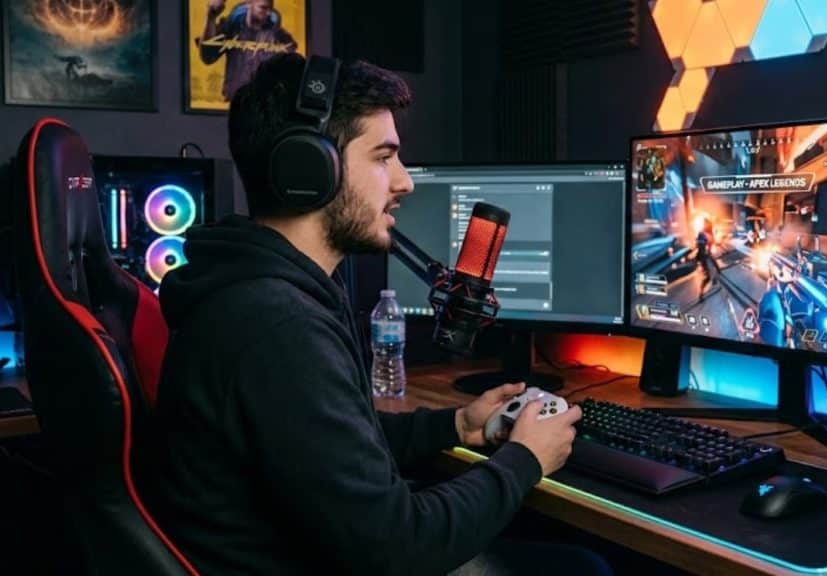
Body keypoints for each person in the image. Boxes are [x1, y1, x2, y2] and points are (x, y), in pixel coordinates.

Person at [142, 53, 603, 575]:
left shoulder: (263, 291)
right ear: (309, 169)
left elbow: (331, 446)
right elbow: (396, 548)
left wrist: (455, 424)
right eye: (384, 157)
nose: (405, 182)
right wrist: (524, 460)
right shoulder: (276, 324)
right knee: (586, 568)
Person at [198, 0, 298, 101]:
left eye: (270, 9)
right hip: (234, 104)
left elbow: (293, 69)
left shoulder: (279, 35)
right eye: (263, 8)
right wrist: (211, 17)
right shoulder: (232, 26)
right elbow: (207, 56)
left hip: (264, 106)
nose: (268, 13)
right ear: (248, 4)